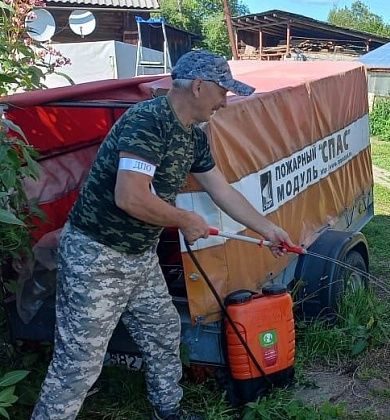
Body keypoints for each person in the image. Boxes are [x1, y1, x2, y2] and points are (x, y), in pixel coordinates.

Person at [31, 50, 295, 420]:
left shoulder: (193, 137)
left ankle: (167, 410)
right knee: (79, 364)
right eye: (223, 91)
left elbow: (222, 190)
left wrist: (268, 229)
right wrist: (185, 219)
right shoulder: (147, 121)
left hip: (140, 256)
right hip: (97, 255)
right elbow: (130, 196)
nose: (225, 100)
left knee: (163, 333)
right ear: (199, 86)